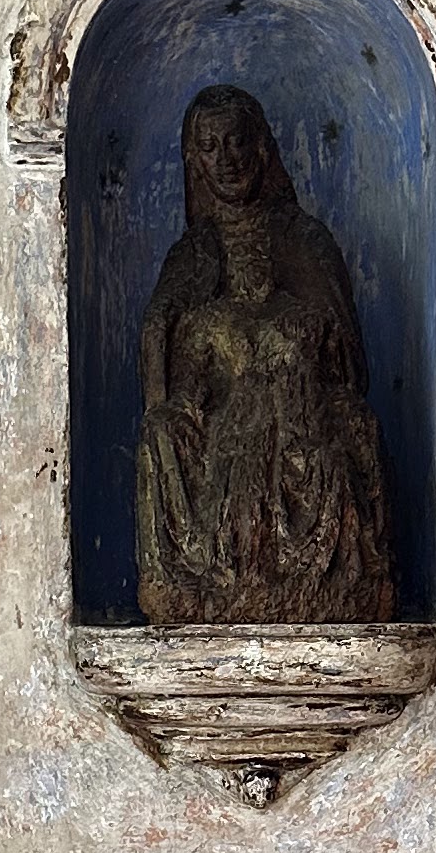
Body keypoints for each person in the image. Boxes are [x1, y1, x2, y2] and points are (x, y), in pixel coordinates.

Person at [134, 84, 395, 624]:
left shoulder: (305, 240)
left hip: (299, 410)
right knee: (162, 435)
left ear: (260, 148)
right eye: (210, 147)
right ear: (195, 160)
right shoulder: (191, 255)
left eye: (236, 141)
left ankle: (323, 581)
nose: (226, 159)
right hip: (218, 425)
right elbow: (172, 362)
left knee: (334, 438)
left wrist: (297, 345)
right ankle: (196, 580)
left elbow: (346, 361)